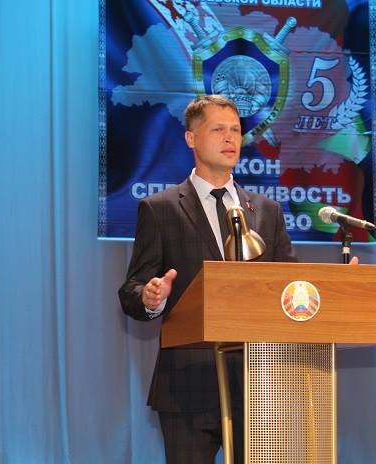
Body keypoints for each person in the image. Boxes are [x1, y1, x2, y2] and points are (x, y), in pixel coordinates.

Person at [118, 95, 298, 463]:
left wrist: (328, 287)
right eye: (218, 130)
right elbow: (132, 290)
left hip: (258, 381)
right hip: (188, 383)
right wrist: (151, 298)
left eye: (236, 130)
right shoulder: (161, 209)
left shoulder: (267, 211)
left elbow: (288, 286)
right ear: (191, 138)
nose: (231, 138)